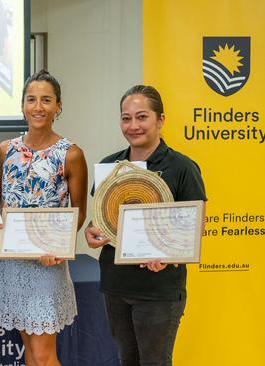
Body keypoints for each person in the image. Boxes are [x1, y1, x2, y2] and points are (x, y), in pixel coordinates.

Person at [85, 85, 207, 366]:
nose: (133, 126)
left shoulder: (182, 167)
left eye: (142, 117)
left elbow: (195, 228)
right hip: (116, 284)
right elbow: (100, 221)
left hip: (159, 289)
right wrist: (92, 232)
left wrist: (168, 255)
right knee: (126, 360)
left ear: (160, 120)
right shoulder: (109, 166)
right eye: (126, 118)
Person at [0, 70, 88, 366]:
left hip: (48, 264)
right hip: (12, 263)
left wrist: (59, 248)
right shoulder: (6, 149)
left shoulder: (71, 154)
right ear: (22, 105)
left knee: (43, 354)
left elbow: (78, 213)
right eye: (32, 99)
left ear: (58, 106)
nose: (38, 107)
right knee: (29, 349)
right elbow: (5, 201)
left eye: (46, 100)